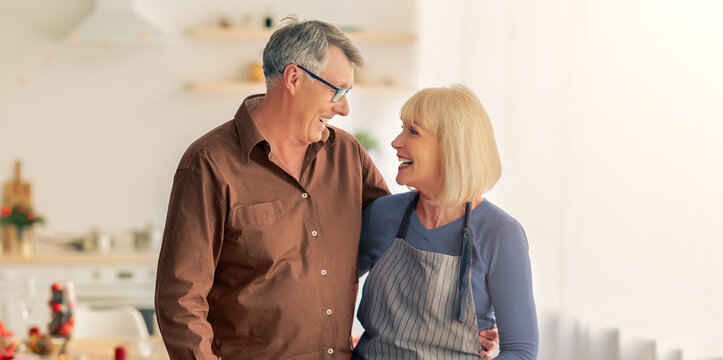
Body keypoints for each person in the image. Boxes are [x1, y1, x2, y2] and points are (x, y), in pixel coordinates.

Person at [155, 16, 500, 359]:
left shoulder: (347, 154)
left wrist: (472, 324)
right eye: (337, 90)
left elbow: (407, 244)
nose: (345, 108)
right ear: (294, 79)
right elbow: (181, 301)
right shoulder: (209, 164)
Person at [354, 85, 538, 359]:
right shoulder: (382, 214)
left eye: (412, 131)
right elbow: (325, 288)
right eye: (401, 128)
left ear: (451, 146)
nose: (395, 142)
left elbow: (520, 351)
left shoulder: (500, 233)